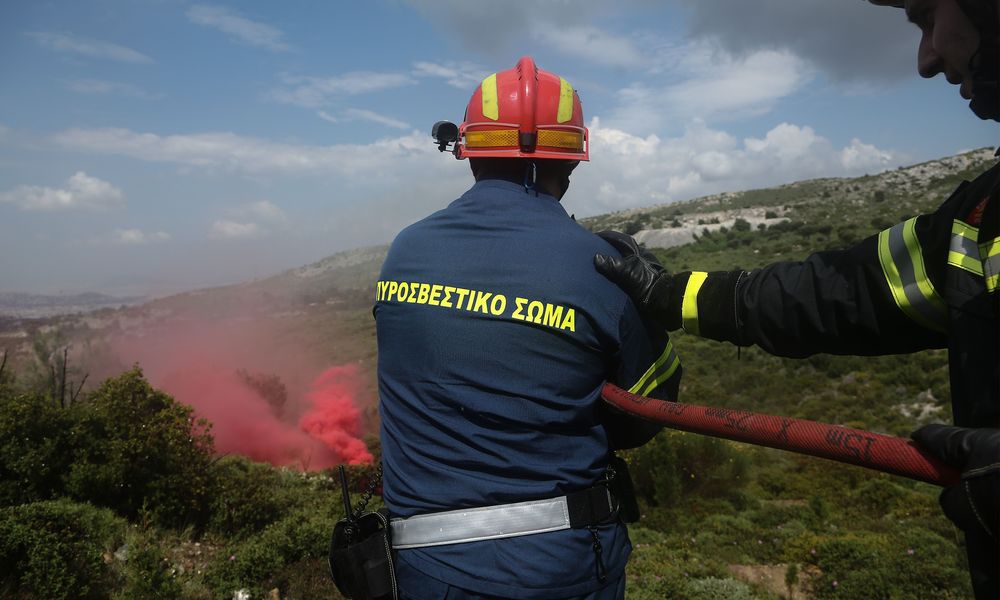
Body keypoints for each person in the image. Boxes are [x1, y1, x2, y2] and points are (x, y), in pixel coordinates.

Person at [594, 1, 999, 597]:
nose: (926, 57)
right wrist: (667, 293)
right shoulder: (981, 216)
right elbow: (836, 292)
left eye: (927, 15)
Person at [374, 56, 681, 600]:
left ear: (467, 152)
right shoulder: (599, 266)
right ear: (570, 162)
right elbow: (650, 411)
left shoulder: (405, 250)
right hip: (555, 568)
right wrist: (651, 303)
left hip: (422, 566)